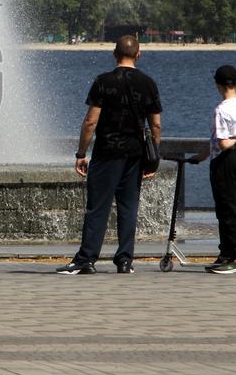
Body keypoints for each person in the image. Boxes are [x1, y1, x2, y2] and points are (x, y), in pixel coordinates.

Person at [57, 35, 162, 275]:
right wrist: (153, 157)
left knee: (98, 208)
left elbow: (90, 122)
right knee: (128, 208)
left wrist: (81, 153)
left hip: (107, 152)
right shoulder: (148, 83)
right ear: (139, 54)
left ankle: (86, 259)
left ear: (114, 54)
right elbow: (155, 125)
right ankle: (125, 261)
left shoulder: (103, 81)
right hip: (135, 154)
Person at [189, 64, 236, 274]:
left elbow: (223, 143)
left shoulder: (221, 109)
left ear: (217, 85)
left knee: (225, 209)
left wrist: (229, 142)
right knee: (228, 207)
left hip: (224, 161)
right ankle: (226, 252)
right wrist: (202, 156)